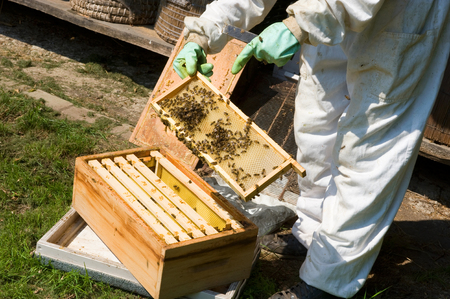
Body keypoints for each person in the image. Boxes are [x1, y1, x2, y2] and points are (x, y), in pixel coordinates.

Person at [172, 1, 450, 298]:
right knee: (316, 120)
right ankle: (312, 233)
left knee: (367, 147)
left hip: (398, 13)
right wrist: (204, 32)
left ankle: (329, 280)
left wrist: (300, 24)